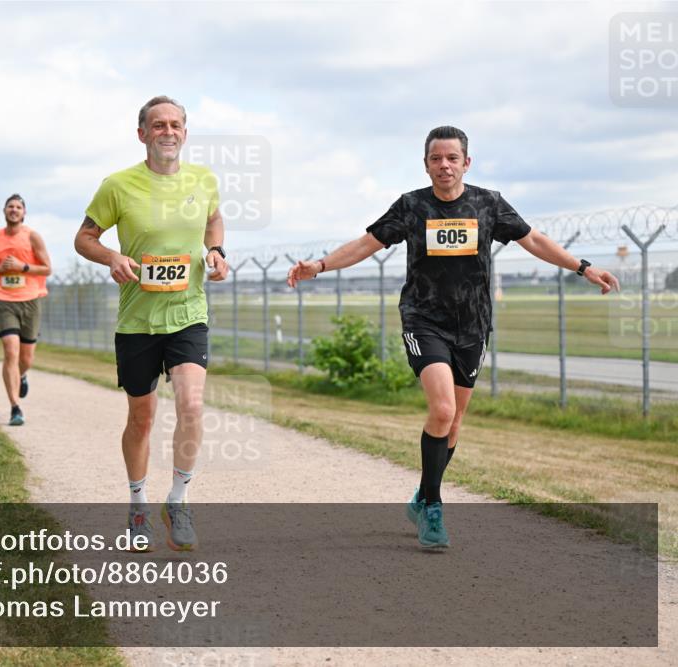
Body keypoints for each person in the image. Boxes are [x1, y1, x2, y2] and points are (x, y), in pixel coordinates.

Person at [287, 125, 620, 549]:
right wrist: (318, 266)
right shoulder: (412, 206)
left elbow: (532, 239)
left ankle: (421, 496)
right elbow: (366, 244)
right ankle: (433, 507)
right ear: (425, 165)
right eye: (435, 159)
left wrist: (583, 267)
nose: (444, 165)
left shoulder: (487, 204)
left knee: (456, 420)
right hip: (424, 319)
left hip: (473, 325)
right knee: (442, 410)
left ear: (466, 162)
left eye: (451, 158)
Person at [74, 95, 229, 552]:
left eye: (175, 124)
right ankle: (138, 504)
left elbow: (214, 219)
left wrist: (217, 251)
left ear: (185, 131)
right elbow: (84, 237)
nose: (168, 131)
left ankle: (177, 501)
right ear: (142, 133)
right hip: (138, 319)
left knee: (192, 405)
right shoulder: (117, 185)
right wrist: (112, 256)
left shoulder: (203, 180)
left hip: (188, 313)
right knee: (141, 417)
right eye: (157, 125)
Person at [0, 194, 52, 426]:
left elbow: (47, 268)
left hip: (30, 300)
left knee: (26, 357)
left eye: (18, 207)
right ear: (4, 210)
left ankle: (21, 375)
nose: (14, 210)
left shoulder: (32, 236)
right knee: (11, 350)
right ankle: (15, 407)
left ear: (24, 212)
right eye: (10, 206)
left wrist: (22, 267)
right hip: (3, 300)